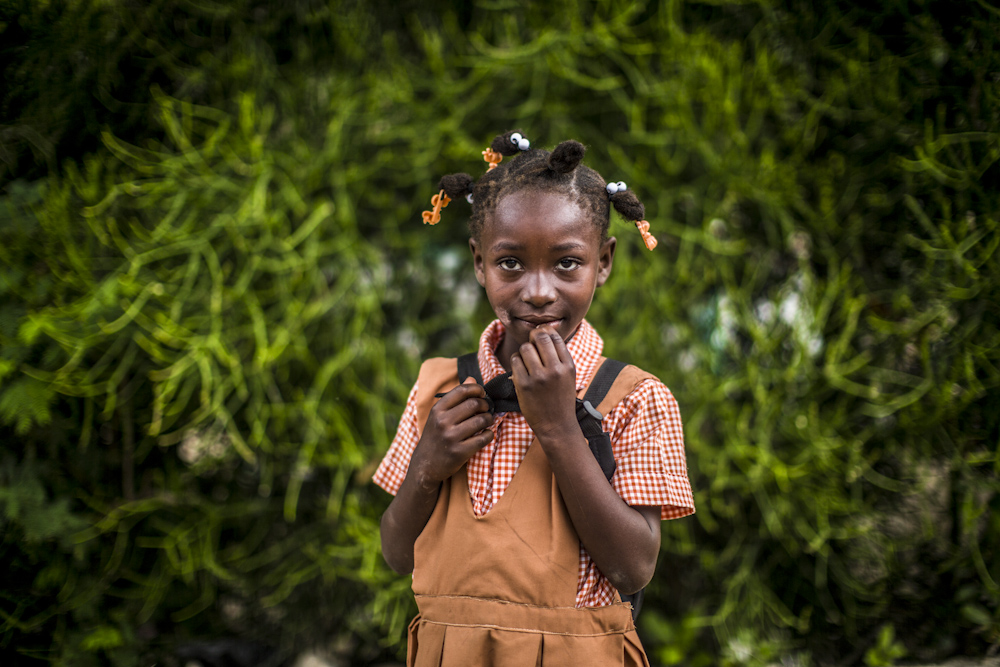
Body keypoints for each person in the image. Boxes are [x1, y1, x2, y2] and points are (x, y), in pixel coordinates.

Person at [373, 130, 695, 666]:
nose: (539, 290)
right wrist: (427, 465)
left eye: (567, 263)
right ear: (479, 263)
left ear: (605, 262)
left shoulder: (636, 399)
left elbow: (633, 568)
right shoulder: (439, 386)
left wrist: (559, 428)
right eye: (511, 263)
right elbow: (396, 553)